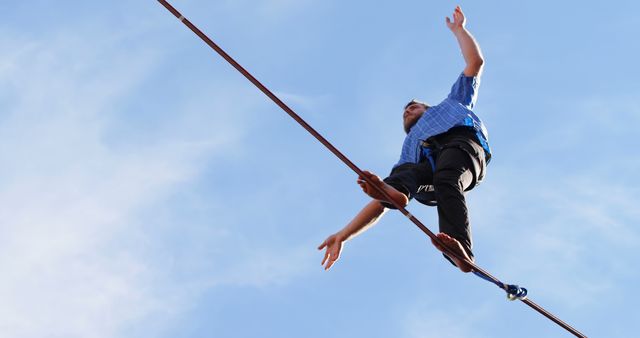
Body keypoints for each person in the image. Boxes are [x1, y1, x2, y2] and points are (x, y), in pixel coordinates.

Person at [318, 6, 491, 273]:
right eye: (404, 112)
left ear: (428, 107)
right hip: (428, 175)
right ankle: (401, 196)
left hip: (461, 149)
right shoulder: (410, 146)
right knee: (404, 172)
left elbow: (474, 63)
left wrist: (459, 31)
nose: (407, 110)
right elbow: (379, 203)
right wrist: (343, 234)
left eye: (414, 106)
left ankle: (460, 250)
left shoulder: (452, 102)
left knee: (446, 177)